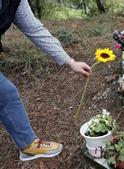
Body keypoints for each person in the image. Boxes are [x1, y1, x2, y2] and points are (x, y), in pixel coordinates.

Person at [0, 0, 91, 161]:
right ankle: (28, 145)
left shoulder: (17, 2)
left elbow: (35, 30)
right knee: (6, 92)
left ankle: (27, 145)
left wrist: (70, 61)